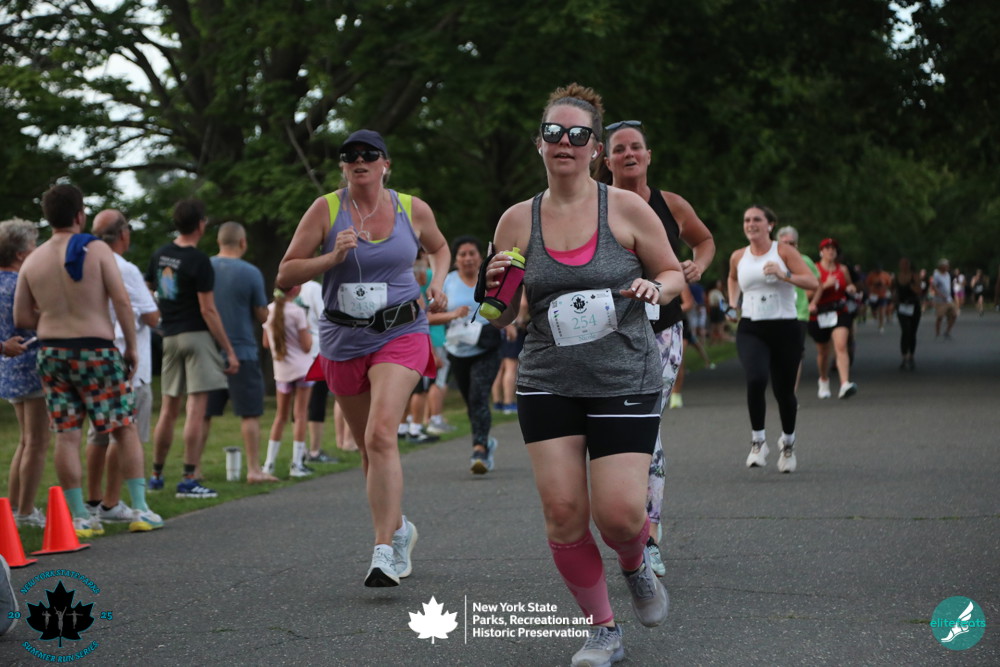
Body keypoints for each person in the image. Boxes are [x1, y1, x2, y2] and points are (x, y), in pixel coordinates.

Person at [486, 84, 684, 666]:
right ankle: (603, 630)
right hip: (547, 377)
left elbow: (673, 273)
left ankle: (635, 562)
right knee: (564, 516)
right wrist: (492, 288)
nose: (565, 143)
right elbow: (500, 313)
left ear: (596, 148)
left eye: (578, 134)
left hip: (624, 374)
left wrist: (656, 287)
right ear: (540, 144)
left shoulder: (625, 209)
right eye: (554, 133)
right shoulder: (516, 220)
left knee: (620, 516)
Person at [276, 128, 450, 588]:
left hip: (402, 330)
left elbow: (439, 246)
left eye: (369, 154)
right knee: (369, 449)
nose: (359, 160)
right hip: (343, 338)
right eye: (349, 155)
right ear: (342, 166)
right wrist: (331, 258)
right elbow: (285, 274)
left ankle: (383, 551)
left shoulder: (412, 209)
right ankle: (401, 528)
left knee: (380, 434)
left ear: (385, 164)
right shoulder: (325, 210)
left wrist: (437, 281)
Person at [597, 118, 715, 579]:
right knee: (614, 433)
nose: (629, 154)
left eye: (636, 147)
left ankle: (648, 534)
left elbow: (704, 240)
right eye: (619, 149)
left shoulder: (671, 204)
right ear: (606, 160)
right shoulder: (593, 205)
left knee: (646, 428)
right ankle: (628, 524)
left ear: (648, 156)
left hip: (662, 331)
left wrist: (697, 265)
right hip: (607, 333)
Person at [15, 184, 162, 537]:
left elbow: (21, 316)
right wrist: (131, 348)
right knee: (123, 427)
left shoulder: (33, 259)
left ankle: (80, 516)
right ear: (80, 215)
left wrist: (52, 318)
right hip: (96, 349)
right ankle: (139, 508)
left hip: (53, 353)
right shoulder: (96, 250)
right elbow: (121, 300)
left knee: (67, 435)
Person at [146, 198, 239, 499]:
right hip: (196, 336)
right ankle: (188, 478)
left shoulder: (160, 254)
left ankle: (156, 475)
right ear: (201, 224)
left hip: (169, 336)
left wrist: (161, 319)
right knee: (195, 410)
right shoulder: (199, 261)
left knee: (168, 409)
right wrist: (228, 350)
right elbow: (208, 310)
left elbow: (148, 291)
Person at [84, 210, 165, 530]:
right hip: (129, 362)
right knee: (126, 432)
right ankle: (112, 502)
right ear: (123, 234)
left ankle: (92, 501)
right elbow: (152, 316)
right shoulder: (126, 268)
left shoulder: (84, 263)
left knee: (97, 433)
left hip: (92, 355)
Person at [727, 206, 818, 472]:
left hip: (785, 328)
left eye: (757, 219)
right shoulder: (738, 256)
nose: (751, 224)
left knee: (784, 392)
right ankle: (758, 442)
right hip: (751, 328)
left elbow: (812, 282)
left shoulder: (784, 252)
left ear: (770, 225)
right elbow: (732, 278)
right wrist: (732, 303)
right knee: (756, 379)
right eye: (746, 220)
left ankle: (788, 444)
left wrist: (784, 274)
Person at [199, 221, 277, 483]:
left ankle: (193, 469)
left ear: (219, 242)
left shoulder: (204, 267)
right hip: (242, 350)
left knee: (203, 413)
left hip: (208, 351)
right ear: (243, 243)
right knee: (250, 412)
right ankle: (254, 469)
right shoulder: (251, 272)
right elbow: (261, 313)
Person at [0, 218, 49, 528]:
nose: (36, 250)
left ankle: (15, 508)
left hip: (8, 371)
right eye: (33, 245)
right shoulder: (23, 283)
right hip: (31, 366)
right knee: (37, 442)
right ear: (20, 254)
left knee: (25, 440)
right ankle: (26, 512)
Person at [439, 235, 501, 473]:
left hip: (486, 345)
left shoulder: (490, 278)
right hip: (457, 348)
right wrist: (451, 315)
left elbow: (506, 304)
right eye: (462, 254)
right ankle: (485, 440)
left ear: (480, 256)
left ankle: (479, 449)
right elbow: (430, 314)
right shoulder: (448, 281)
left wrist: (509, 324)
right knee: (470, 400)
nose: (467, 258)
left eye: (472, 253)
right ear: (455, 259)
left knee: (478, 395)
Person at [262, 285, 315, 477]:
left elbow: (266, 343)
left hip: (282, 370)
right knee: (300, 415)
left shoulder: (269, 310)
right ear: (295, 290)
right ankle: (297, 464)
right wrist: (309, 332)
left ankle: (269, 464)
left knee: (280, 416)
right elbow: (307, 346)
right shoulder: (297, 312)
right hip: (302, 369)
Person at [296, 278, 344, 459]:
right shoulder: (313, 288)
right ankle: (315, 450)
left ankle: (299, 450)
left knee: (299, 403)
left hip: (295, 350)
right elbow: (325, 316)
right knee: (317, 399)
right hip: (315, 348)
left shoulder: (288, 285)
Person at [807, 238, 859, 399]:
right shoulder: (814, 269)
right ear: (821, 252)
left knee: (841, 345)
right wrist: (825, 285)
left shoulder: (842, 269)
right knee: (823, 352)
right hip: (819, 313)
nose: (831, 251)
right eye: (827, 248)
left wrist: (851, 288)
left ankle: (845, 384)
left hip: (839, 311)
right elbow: (807, 295)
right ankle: (823, 380)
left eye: (833, 249)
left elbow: (849, 285)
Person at [776, 225, 820, 395]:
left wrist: (812, 302)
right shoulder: (771, 261)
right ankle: (782, 387)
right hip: (775, 314)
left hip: (799, 313)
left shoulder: (804, 261)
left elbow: (818, 283)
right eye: (784, 243)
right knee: (778, 354)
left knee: (795, 353)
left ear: (797, 244)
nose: (788, 246)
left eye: (792, 243)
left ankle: (790, 394)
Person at [893, 257, 922, 371]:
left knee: (913, 332)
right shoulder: (896, 277)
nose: (904, 266)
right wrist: (894, 300)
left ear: (909, 265)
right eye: (902, 264)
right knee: (905, 330)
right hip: (902, 306)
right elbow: (893, 290)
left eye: (906, 264)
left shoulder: (915, 276)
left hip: (913, 306)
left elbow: (919, 290)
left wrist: (911, 286)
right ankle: (904, 356)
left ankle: (911, 356)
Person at [930, 259, 957, 339]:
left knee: (954, 315)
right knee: (940, 317)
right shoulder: (936, 275)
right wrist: (940, 295)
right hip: (940, 300)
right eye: (946, 266)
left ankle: (947, 331)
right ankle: (937, 333)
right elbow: (934, 286)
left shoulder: (947, 274)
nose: (948, 267)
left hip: (948, 299)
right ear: (941, 266)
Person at [865, 263, 892, 333]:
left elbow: (889, 284)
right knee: (873, 309)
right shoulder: (871, 275)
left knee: (882, 310)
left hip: (883, 295)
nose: (878, 271)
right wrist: (873, 286)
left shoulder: (885, 275)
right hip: (874, 295)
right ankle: (875, 316)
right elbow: (867, 284)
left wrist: (884, 286)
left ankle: (881, 325)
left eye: (879, 269)